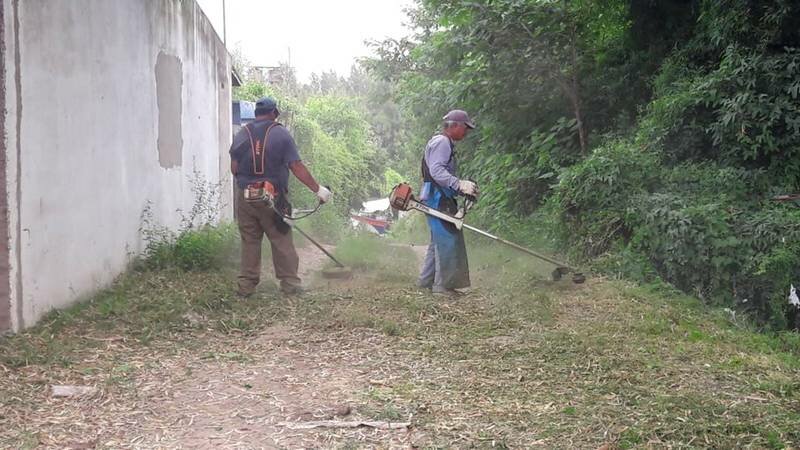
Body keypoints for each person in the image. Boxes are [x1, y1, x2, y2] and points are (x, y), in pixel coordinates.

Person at [229, 97, 332, 296]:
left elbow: (233, 168)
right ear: (274, 113)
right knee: (281, 238)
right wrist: (318, 189)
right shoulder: (281, 134)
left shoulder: (242, 134)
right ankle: (290, 284)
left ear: (256, 115)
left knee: (250, 241)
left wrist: (249, 183)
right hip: (273, 196)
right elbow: (296, 166)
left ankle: (246, 287)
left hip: (245, 197)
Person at [417, 110, 478, 296]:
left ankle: (426, 282)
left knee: (437, 240)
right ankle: (441, 287)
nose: (466, 132)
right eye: (465, 128)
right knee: (447, 238)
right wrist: (458, 184)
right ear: (455, 125)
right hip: (437, 197)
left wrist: (459, 188)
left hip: (436, 195)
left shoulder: (442, 142)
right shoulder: (442, 142)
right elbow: (436, 170)